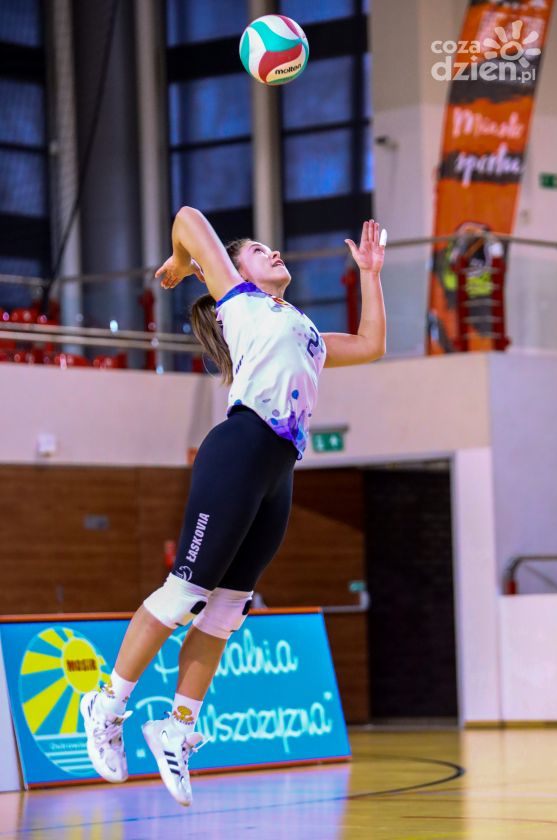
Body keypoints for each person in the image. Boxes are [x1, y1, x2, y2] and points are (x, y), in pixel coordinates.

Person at [80, 206, 387, 806]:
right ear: (235, 272)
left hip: (279, 468)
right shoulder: (240, 301)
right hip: (240, 447)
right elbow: (187, 216)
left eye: (273, 248)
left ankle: (177, 728)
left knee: (226, 611)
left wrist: (370, 274)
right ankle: (106, 704)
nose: (274, 252)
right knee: (184, 593)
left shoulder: (306, 332)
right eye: (258, 250)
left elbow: (372, 344)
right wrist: (182, 261)